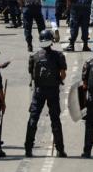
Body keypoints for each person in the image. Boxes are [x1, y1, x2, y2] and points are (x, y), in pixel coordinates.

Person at [25, 28, 67, 158]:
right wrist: (57, 80)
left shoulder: (35, 56)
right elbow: (63, 74)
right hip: (53, 91)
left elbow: (31, 73)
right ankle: (60, 149)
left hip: (39, 91)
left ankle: (28, 148)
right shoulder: (58, 56)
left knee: (33, 118)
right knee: (55, 120)